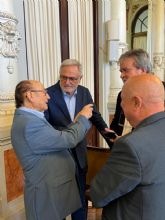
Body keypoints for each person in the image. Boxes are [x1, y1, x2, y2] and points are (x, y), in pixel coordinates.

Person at [11, 80, 93, 220]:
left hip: (51, 190)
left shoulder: (30, 119)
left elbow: (56, 139)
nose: (48, 97)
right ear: (30, 95)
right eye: (44, 93)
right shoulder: (29, 123)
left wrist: (76, 121)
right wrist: (83, 118)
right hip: (45, 194)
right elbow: (68, 140)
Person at [90, 74, 165, 220]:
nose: (122, 107)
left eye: (122, 102)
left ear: (136, 102)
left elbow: (98, 194)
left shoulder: (130, 146)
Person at [44, 59, 110, 220]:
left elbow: (95, 116)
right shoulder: (47, 94)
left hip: (79, 155)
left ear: (80, 77)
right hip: (57, 157)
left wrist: (110, 137)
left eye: (72, 78)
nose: (67, 82)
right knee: (58, 201)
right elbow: (44, 128)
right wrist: (73, 127)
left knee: (79, 200)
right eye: (63, 77)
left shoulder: (85, 92)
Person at [110, 49, 152, 137]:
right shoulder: (122, 95)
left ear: (142, 70)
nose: (121, 75)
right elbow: (116, 123)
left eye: (126, 70)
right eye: (121, 71)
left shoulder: (161, 91)